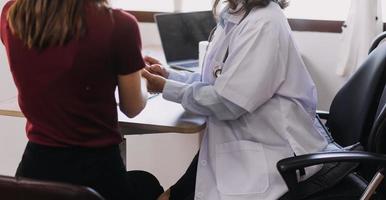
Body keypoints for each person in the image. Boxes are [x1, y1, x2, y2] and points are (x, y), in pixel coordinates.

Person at [142, 0, 329, 199]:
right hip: (237, 148)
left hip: (269, 158)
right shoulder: (235, 15)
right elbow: (216, 83)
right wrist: (169, 76)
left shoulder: (263, 23)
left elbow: (227, 102)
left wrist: (165, 87)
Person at [0, 0, 163, 199]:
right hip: (98, 175)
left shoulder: (12, 14)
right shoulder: (118, 23)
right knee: (148, 185)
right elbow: (133, 107)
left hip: (36, 172)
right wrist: (141, 77)